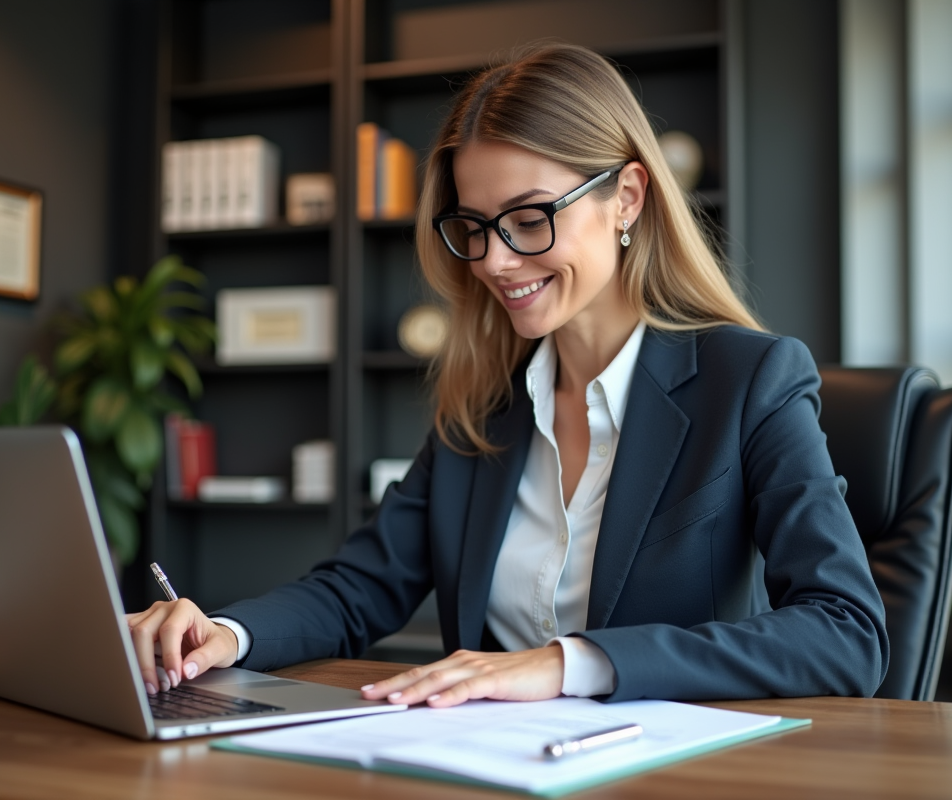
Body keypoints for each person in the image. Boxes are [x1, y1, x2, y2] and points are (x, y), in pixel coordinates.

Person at [127, 42, 889, 706]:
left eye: (529, 219)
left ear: (626, 197)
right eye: (474, 227)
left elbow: (844, 631)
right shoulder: (486, 403)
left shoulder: (748, 379)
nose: (493, 259)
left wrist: (567, 665)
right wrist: (223, 634)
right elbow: (356, 589)